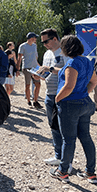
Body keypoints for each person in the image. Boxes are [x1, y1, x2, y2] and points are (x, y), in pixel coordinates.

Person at [50, 35, 97, 184]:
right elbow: (94, 82)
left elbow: (69, 86)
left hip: (70, 104)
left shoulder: (72, 63)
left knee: (68, 139)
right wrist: (84, 93)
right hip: (84, 103)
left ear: (66, 48)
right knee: (86, 137)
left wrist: (57, 98)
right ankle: (90, 172)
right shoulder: (87, 61)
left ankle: (63, 171)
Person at [36, 29, 69, 168]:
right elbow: (47, 75)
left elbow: (69, 72)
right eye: (42, 42)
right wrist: (38, 76)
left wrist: (49, 69)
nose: (44, 44)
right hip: (49, 94)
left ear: (55, 39)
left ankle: (67, 161)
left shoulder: (66, 52)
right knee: (53, 126)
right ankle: (58, 156)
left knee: (65, 129)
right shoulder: (47, 54)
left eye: (46, 41)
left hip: (63, 94)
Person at [17, 32, 42, 108]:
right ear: (31, 38)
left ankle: (35, 101)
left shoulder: (35, 46)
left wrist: (39, 66)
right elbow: (19, 58)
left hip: (35, 68)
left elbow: (35, 57)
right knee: (28, 85)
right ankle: (28, 101)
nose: (36, 39)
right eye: (35, 37)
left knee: (38, 84)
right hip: (27, 68)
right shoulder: (23, 46)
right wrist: (17, 69)